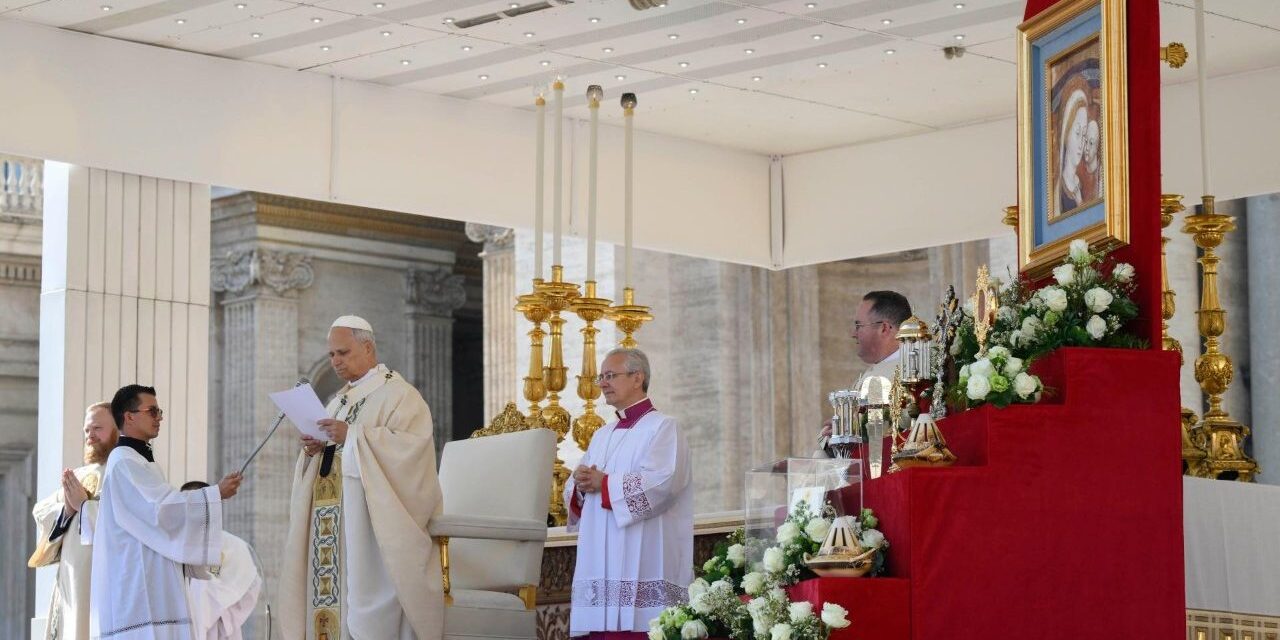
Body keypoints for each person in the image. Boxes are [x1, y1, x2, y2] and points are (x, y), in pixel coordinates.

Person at [280, 315, 443, 640]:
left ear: (367, 348)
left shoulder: (399, 395)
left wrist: (353, 436)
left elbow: (412, 451)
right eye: (331, 355)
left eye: (343, 353)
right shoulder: (338, 401)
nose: (336, 362)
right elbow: (334, 450)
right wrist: (313, 451)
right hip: (331, 524)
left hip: (369, 528)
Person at [89, 384, 243, 639]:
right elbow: (160, 510)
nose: (159, 417)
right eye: (153, 411)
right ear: (129, 416)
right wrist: (215, 493)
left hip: (154, 583)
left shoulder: (140, 461)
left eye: (159, 411)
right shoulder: (124, 462)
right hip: (138, 588)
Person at [565, 348, 693, 638]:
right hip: (601, 555)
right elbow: (577, 490)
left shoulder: (664, 427)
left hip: (646, 551)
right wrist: (580, 483)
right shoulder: (602, 434)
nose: (602, 384)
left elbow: (663, 482)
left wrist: (605, 484)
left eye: (610, 376)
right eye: (601, 377)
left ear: (638, 378)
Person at [29, 402, 119, 640]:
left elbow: (127, 523)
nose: (90, 435)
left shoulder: (124, 470)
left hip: (104, 584)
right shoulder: (79, 475)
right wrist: (67, 510)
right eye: (86, 430)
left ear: (118, 428)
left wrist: (85, 506)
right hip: (72, 584)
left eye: (97, 428)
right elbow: (41, 511)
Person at [817, 290, 913, 456]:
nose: (853, 333)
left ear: (884, 328)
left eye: (859, 326)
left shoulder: (912, 371)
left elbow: (905, 428)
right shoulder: (872, 372)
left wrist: (852, 433)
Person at [181, 481, 263, 640]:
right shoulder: (173, 546)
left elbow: (250, 588)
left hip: (220, 633)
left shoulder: (233, 545)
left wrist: (225, 618)